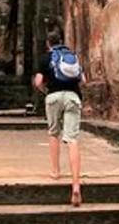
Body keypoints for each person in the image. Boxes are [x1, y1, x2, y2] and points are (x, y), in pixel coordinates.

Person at [33, 30, 85, 206]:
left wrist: (45, 91)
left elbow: (38, 82)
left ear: (48, 43)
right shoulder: (72, 56)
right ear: (62, 42)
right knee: (72, 139)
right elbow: (82, 79)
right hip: (73, 97)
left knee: (54, 133)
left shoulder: (45, 58)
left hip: (54, 97)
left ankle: (55, 171)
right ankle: (76, 184)